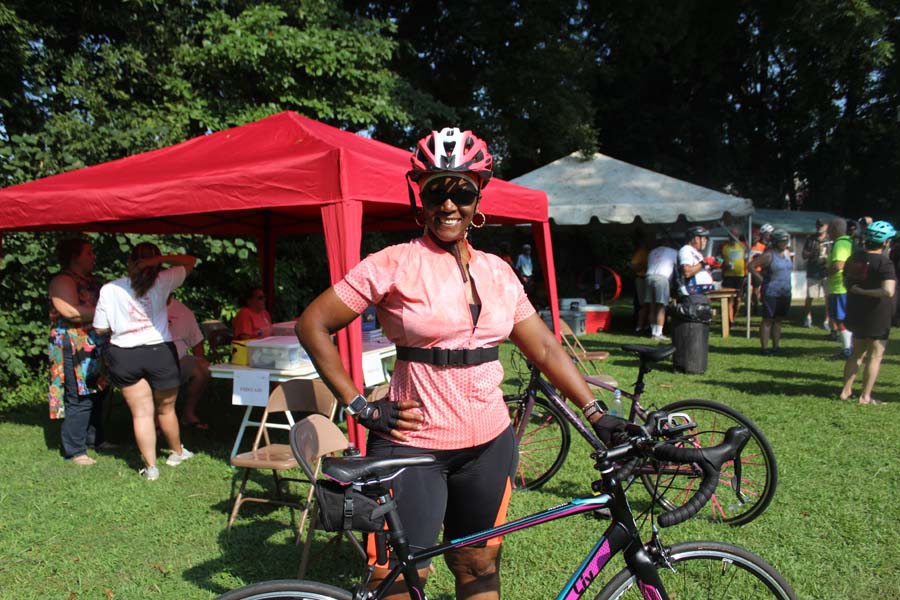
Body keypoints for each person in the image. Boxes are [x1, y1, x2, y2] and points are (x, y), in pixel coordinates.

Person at [296, 127, 625, 600]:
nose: (448, 205)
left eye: (461, 191)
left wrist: (596, 413)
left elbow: (547, 349)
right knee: (400, 579)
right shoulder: (392, 263)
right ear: (421, 197)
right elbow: (313, 324)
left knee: (478, 566)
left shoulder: (499, 271)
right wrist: (360, 407)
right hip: (412, 447)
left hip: (489, 446)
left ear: (478, 195)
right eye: (436, 191)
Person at [92, 243, 197, 480]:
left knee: (141, 413)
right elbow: (190, 260)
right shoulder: (164, 280)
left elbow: (100, 328)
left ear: (130, 262)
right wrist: (157, 261)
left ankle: (151, 468)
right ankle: (177, 452)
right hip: (159, 351)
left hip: (124, 354)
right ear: (157, 262)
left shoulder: (110, 289)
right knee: (166, 408)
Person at [48, 238, 111, 465]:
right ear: (74, 256)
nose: (93, 257)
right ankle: (75, 450)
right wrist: (107, 311)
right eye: (88, 253)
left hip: (95, 343)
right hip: (74, 345)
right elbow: (72, 313)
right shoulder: (63, 281)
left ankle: (96, 439)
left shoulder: (91, 281)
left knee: (98, 393)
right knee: (79, 395)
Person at [840, 221, 897, 405]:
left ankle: (845, 391)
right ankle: (865, 396)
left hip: (857, 312)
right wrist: (866, 292)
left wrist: (858, 291)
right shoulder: (884, 263)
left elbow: (846, 282)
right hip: (877, 314)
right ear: (886, 242)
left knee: (856, 354)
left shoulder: (854, 258)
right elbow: (888, 291)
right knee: (875, 356)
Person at [167, 293, 212, 430]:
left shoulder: (182, 311)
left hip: (179, 360)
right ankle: (157, 420)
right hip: (150, 358)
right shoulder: (142, 306)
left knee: (204, 368)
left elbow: (196, 341)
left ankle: (188, 413)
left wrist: (200, 360)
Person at [748, 229, 793, 355]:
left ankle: (776, 346)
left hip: (785, 292)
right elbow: (751, 266)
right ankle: (765, 348)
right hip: (771, 292)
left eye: (786, 241)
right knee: (768, 320)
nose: (785, 243)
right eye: (782, 241)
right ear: (775, 242)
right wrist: (760, 278)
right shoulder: (768, 255)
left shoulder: (787, 254)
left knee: (778, 320)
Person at [826, 218, 854, 358]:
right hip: (843, 286)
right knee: (840, 319)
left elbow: (839, 265)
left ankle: (848, 349)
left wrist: (826, 272)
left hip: (839, 287)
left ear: (836, 229)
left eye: (830, 229)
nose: (828, 232)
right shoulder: (849, 241)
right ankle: (848, 347)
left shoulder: (840, 243)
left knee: (840, 319)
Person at [643, 242, 678, 341]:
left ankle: (653, 332)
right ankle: (658, 333)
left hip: (649, 277)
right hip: (662, 278)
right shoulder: (674, 252)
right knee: (661, 306)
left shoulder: (652, 252)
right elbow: (677, 269)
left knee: (652, 306)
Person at [801, 219, 830, 328]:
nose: (819, 227)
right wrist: (814, 250)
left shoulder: (831, 239)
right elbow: (804, 255)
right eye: (818, 225)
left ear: (827, 226)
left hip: (827, 271)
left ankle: (827, 320)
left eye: (822, 225)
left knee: (828, 297)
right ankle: (807, 318)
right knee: (810, 296)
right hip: (813, 271)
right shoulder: (810, 239)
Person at [720, 226, 748, 326]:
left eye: (735, 236)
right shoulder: (724, 247)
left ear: (738, 236)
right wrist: (723, 265)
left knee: (738, 299)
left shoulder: (743, 246)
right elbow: (719, 260)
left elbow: (747, 260)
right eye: (731, 236)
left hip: (740, 276)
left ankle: (733, 316)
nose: (733, 238)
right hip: (728, 276)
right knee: (729, 299)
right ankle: (729, 320)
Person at [677, 225, 715, 296]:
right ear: (696, 238)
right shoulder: (686, 250)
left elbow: (698, 269)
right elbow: (687, 272)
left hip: (701, 293)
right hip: (693, 294)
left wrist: (713, 266)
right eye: (704, 238)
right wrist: (704, 262)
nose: (706, 241)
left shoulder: (697, 253)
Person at [749, 223, 773, 312]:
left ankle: (758, 305)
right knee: (752, 289)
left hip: (764, 270)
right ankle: (753, 306)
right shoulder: (755, 244)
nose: (770, 235)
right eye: (768, 233)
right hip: (753, 270)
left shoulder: (770, 245)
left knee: (760, 290)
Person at [630, 231, 650, 334]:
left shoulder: (649, 251)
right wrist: (646, 266)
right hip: (641, 279)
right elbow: (633, 266)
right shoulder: (641, 252)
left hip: (647, 279)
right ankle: (639, 327)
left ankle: (646, 325)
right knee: (643, 304)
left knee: (648, 304)